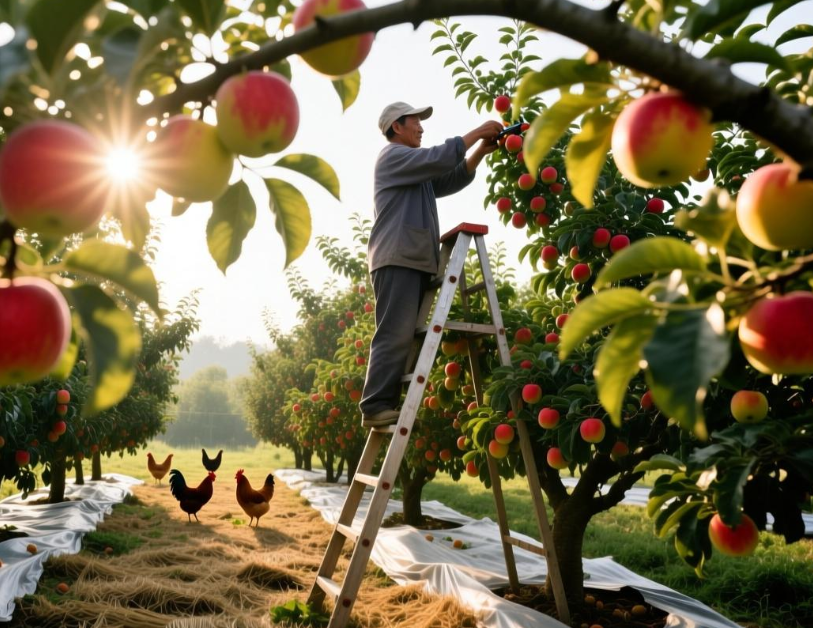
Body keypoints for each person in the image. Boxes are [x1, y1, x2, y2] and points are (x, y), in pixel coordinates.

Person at [359, 102, 503, 428]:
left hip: (411, 259)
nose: (421, 128)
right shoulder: (393, 157)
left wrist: (480, 150)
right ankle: (374, 405)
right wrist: (478, 131)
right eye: (416, 122)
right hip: (397, 257)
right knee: (393, 333)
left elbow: (448, 179)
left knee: (402, 334)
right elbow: (439, 157)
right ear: (397, 126)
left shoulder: (414, 171)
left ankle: (382, 402)